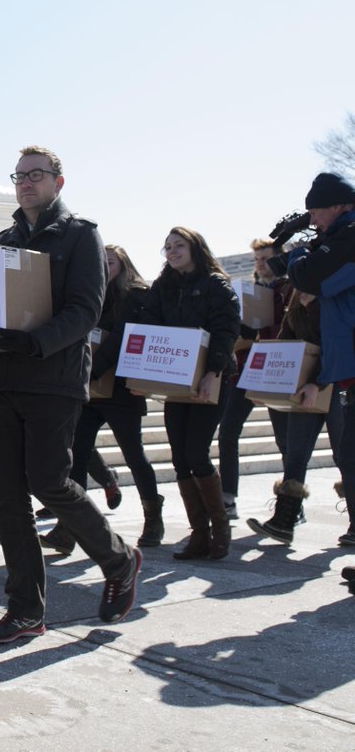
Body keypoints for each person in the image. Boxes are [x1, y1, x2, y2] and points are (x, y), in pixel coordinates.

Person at [0, 147, 141, 646]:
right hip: (3, 377)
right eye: (19, 176)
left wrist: (35, 341)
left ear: (58, 182)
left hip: (54, 377)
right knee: (7, 497)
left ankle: (118, 559)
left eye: (36, 175)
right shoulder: (4, 240)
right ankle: (25, 609)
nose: (26, 183)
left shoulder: (81, 234)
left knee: (49, 482)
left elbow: (86, 308)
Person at [42, 244, 165, 553]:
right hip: (91, 390)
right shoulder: (92, 293)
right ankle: (68, 528)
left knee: (134, 454)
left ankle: (153, 519)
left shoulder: (136, 295)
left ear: (123, 265)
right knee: (77, 456)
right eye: (101, 262)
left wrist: (90, 370)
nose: (105, 267)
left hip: (121, 389)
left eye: (110, 262)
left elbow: (123, 338)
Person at [139, 227, 240, 561]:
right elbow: (148, 325)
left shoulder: (215, 284)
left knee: (197, 452)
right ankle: (199, 534)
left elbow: (226, 331)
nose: (171, 251)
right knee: (180, 456)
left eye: (178, 245)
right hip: (175, 380)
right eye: (167, 246)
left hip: (212, 378)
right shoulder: (162, 287)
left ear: (195, 248)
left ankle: (220, 529)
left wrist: (213, 371)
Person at [268, 172, 355, 547]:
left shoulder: (349, 238)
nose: (313, 220)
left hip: (341, 366)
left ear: (339, 206)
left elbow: (310, 277)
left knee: (349, 455)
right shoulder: (335, 238)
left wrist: (298, 254)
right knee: (349, 457)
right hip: (344, 369)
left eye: (316, 212)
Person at [247, 287, 342, 543]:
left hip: (338, 386)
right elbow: (283, 349)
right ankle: (284, 521)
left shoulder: (335, 304)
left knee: (345, 456)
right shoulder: (295, 312)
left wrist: (316, 383)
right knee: (296, 454)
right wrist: (265, 385)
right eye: (299, 286)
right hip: (304, 389)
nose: (302, 292)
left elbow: (336, 348)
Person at [216, 238, 291, 519]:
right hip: (245, 371)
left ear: (279, 259)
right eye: (257, 258)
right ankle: (227, 497)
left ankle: (291, 503)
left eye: (266, 258)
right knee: (228, 432)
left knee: (285, 440)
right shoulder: (248, 292)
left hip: (277, 370)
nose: (260, 263)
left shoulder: (290, 289)